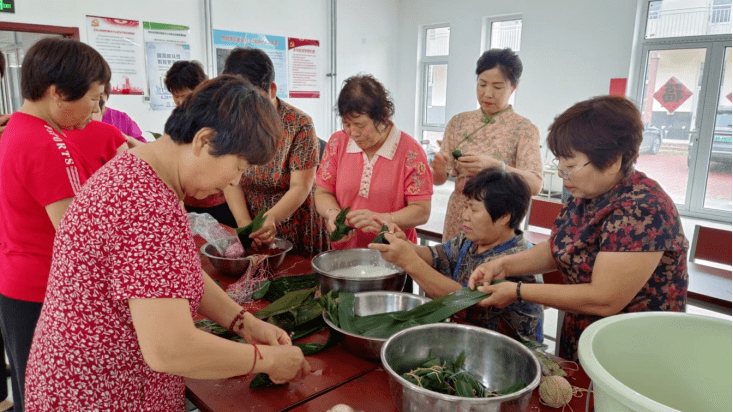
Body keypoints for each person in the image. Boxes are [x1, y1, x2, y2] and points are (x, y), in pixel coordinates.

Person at [25, 75, 311, 410]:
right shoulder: (148, 205)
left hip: (76, 380)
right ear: (204, 141)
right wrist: (266, 361)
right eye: (239, 166)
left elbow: (174, 276)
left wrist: (243, 322)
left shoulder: (140, 171)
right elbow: (169, 348)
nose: (235, 180)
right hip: (101, 393)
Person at [468, 95, 689, 361]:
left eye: (570, 165)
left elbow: (604, 298)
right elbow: (559, 248)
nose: (562, 173)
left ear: (612, 161)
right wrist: (503, 266)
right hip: (584, 335)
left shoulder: (644, 209)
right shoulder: (586, 193)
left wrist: (517, 292)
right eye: (560, 162)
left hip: (633, 349)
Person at [0, 37, 111, 412]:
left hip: (17, 283)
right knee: (53, 398)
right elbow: (80, 238)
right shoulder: (49, 144)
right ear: (58, 92)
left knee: (30, 392)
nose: (96, 109)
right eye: (94, 97)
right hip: (45, 292)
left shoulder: (15, 127)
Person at [370, 168, 543, 343]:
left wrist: (409, 261)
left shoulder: (518, 261)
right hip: (465, 340)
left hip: (504, 353)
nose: (464, 216)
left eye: (474, 210)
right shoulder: (470, 241)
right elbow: (435, 255)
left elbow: (461, 304)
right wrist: (403, 244)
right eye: (465, 206)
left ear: (504, 217)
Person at [222, 48, 329, 256]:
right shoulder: (231, 122)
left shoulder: (299, 124)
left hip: (298, 226)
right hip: (253, 223)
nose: (247, 109)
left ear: (272, 89)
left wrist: (270, 219)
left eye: (254, 99)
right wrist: (246, 224)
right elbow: (230, 180)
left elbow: (301, 186)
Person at [432, 48, 543, 241]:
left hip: (497, 220)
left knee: (488, 269)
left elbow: (535, 185)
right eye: (482, 84)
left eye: (498, 87)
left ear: (513, 87)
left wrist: (497, 167)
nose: (487, 94)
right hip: (458, 216)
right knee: (450, 266)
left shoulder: (524, 129)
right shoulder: (459, 122)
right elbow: (439, 180)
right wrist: (439, 168)